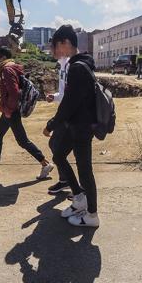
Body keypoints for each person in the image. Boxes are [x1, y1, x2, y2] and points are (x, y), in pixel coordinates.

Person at [44, 25, 99, 227]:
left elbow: (69, 103)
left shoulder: (78, 67)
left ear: (66, 43)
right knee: (58, 155)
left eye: (56, 46)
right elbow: (69, 101)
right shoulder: (75, 64)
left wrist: (51, 124)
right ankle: (79, 199)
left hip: (82, 126)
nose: (55, 50)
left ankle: (92, 215)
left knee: (85, 170)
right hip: (73, 124)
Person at [0, 46, 54, 179]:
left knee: (22, 141)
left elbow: (14, 93)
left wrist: (8, 110)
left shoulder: (7, 69)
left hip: (11, 110)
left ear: (3, 57)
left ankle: (44, 163)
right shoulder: (14, 68)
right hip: (10, 110)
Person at [45, 38, 71, 195]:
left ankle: (71, 185)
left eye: (52, 47)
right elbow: (63, 93)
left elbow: (71, 96)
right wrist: (54, 97)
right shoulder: (62, 64)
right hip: (65, 113)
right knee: (56, 147)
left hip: (69, 116)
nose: (50, 50)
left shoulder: (69, 65)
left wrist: (52, 123)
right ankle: (66, 181)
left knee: (57, 148)